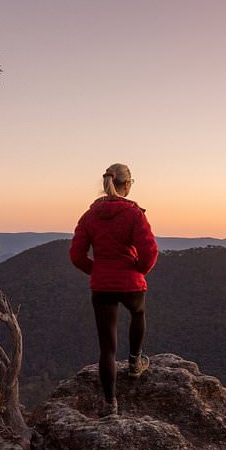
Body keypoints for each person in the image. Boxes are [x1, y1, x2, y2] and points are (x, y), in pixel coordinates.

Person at [69, 163, 159, 417]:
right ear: (127, 184)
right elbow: (150, 251)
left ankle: (110, 404)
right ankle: (134, 362)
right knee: (138, 313)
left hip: (102, 285)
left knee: (107, 348)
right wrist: (139, 269)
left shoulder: (89, 216)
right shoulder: (134, 215)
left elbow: (76, 255)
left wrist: (97, 271)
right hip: (130, 281)